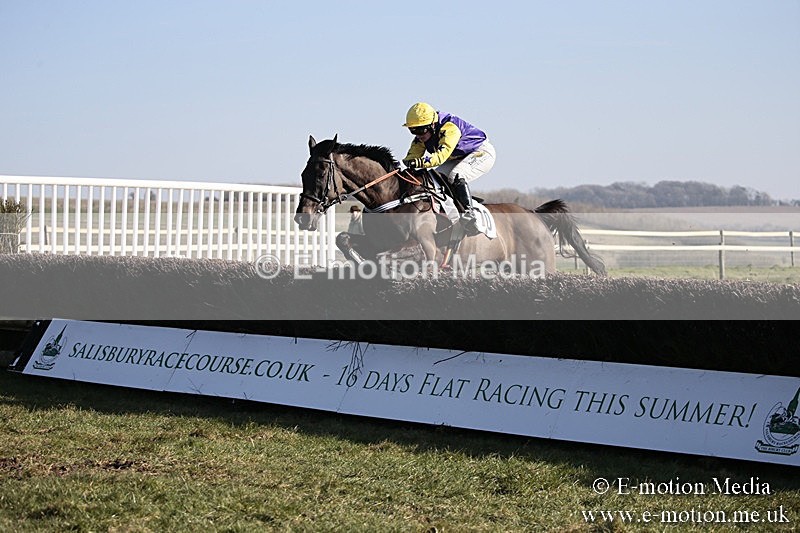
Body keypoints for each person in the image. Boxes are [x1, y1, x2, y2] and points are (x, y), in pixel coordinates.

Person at [402, 102, 496, 233]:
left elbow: (440, 157)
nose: (418, 134)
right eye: (413, 130)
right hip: (457, 157)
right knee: (432, 178)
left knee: (457, 175)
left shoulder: (450, 128)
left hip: (480, 153)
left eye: (420, 130)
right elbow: (413, 154)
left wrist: (419, 163)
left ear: (432, 125)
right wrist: (406, 164)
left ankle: (469, 217)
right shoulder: (424, 135)